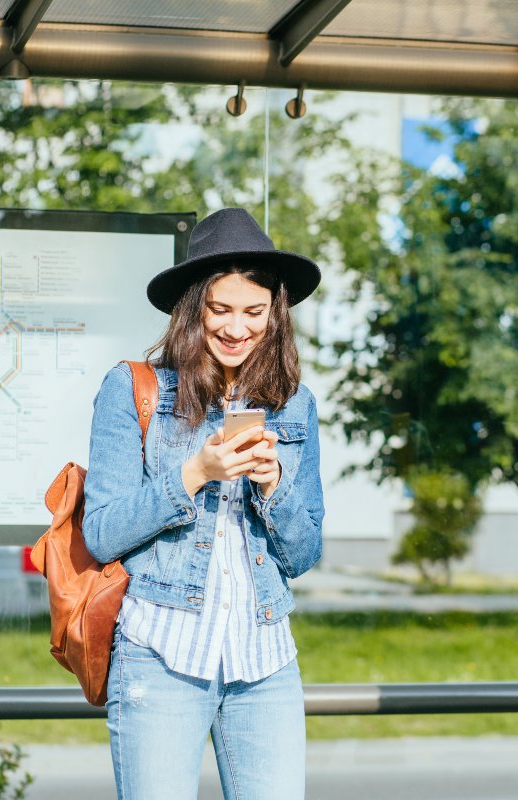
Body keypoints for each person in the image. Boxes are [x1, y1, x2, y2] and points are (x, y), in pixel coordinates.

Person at [82, 207, 325, 800]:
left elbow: (306, 551)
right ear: (194, 311)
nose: (237, 328)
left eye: (254, 312)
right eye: (221, 310)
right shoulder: (135, 390)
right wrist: (193, 473)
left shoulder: (295, 405)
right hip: (162, 656)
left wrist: (275, 488)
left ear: (275, 315)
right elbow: (101, 533)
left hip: (265, 663)